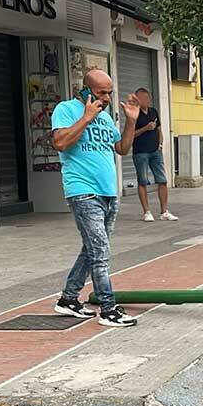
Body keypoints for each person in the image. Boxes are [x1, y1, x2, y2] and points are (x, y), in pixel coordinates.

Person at [51, 69, 141, 328]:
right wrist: (87, 117)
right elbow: (60, 142)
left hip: (108, 193)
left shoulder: (104, 117)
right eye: (102, 92)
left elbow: (121, 149)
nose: (107, 97)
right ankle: (108, 309)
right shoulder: (66, 109)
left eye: (110, 92)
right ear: (86, 90)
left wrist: (131, 121)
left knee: (92, 249)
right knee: (100, 251)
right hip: (83, 191)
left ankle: (68, 299)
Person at [132, 88, 178, 222]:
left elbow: (159, 130)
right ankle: (146, 212)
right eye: (143, 98)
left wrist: (160, 145)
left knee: (162, 180)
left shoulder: (153, 112)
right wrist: (145, 128)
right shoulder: (134, 114)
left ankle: (164, 211)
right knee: (142, 181)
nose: (146, 100)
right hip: (140, 152)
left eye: (148, 97)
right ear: (137, 99)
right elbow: (131, 134)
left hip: (155, 151)